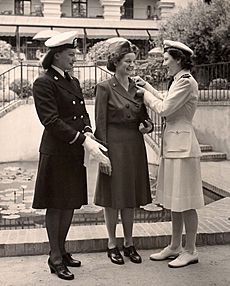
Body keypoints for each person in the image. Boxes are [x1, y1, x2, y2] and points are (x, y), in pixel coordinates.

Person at [32, 31, 111, 280]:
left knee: (68, 204)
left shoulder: (72, 81)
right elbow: (51, 120)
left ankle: (62, 250)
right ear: (56, 56)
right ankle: (54, 257)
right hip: (57, 152)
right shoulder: (44, 82)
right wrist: (82, 139)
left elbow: (82, 113)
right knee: (56, 205)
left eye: (74, 54)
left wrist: (87, 130)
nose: (74, 59)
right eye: (70, 55)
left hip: (74, 150)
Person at [135, 40, 204, 268]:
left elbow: (164, 109)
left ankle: (190, 249)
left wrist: (144, 93)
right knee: (176, 201)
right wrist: (148, 86)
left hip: (183, 149)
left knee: (187, 201)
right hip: (175, 146)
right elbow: (166, 100)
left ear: (179, 59)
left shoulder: (186, 83)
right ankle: (175, 246)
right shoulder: (178, 81)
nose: (164, 63)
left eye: (166, 59)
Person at [94, 39, 153, 265]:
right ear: (116, 62)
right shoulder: (104, 87)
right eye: (127, 61)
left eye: (133, 62)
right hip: (114, 146)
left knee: (130, 197)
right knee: (112, 198)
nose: (131, 65)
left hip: (134, 146)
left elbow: (144, 119)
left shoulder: (137, 90)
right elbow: (100, 122)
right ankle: (112, 244)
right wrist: (102, 154)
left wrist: (148, 126)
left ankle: (129, 243)